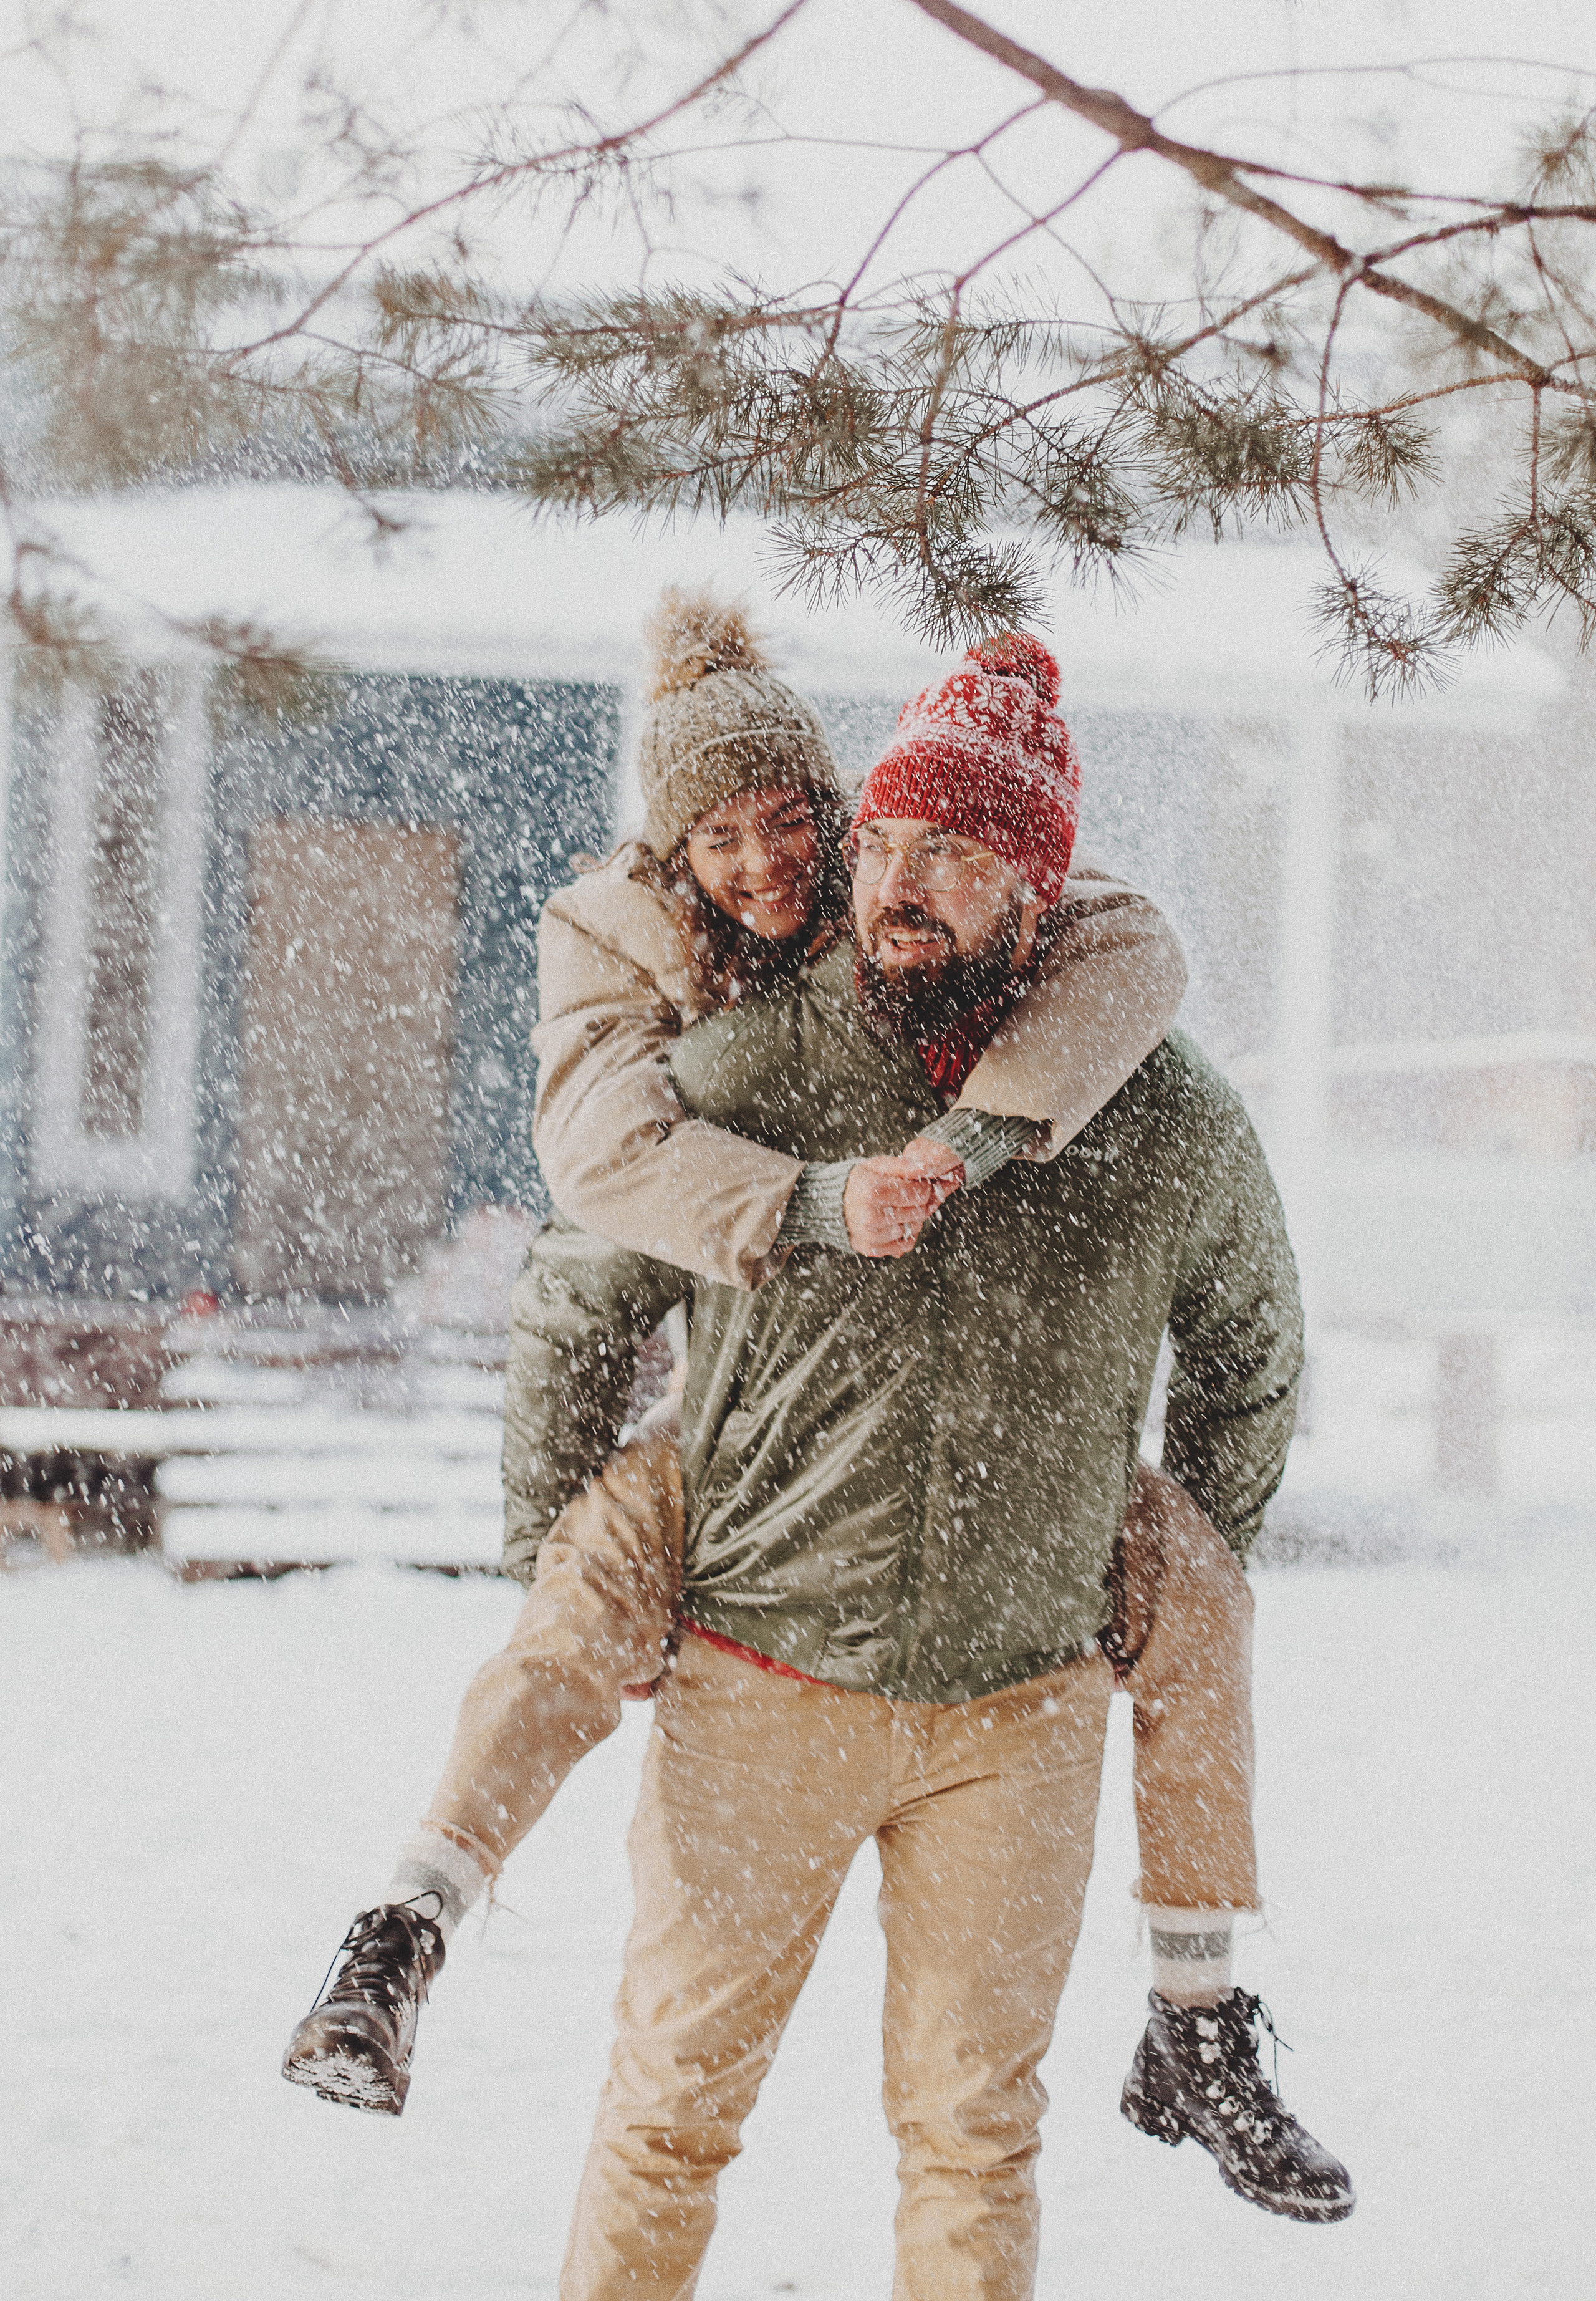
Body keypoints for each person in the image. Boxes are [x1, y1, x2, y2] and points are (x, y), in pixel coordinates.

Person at [282, 614, 1350, 2244]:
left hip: (1021, 1706)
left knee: (977, 2141)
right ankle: (406, 1924)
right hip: (758, 1674)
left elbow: (1253, 1341)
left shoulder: (1157, 1103)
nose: (898, 882)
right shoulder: (741, 1065)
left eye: (957, 854)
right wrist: (568, 1547)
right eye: (890, 844)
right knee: (670, 2114)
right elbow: (575, 1293)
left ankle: (1199, 2012)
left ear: (1039, 889)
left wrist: (1161, 1556)